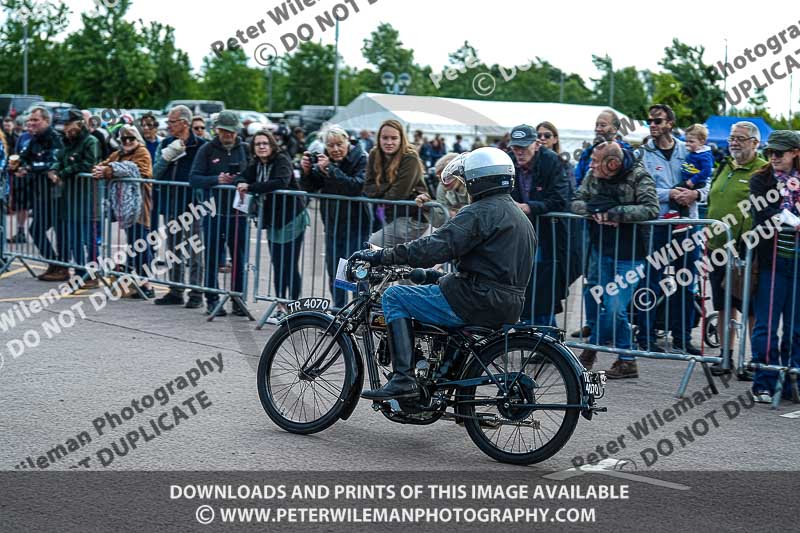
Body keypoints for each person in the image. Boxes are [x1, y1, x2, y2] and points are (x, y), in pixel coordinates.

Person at [350, 147, 536, 400]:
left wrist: (383, 255)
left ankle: (403, 380)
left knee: (395, 296)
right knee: (435, 294)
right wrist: (434, 277)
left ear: (477, 181)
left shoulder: (480, 211)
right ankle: (444, 383)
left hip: (475, 299)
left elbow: (434, 247)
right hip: (507, 303)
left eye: (466, 181)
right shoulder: (518, 216)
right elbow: (491, 267)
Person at [572, 142, 660, 379]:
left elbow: (652, 209)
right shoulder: (593, 175)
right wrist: (595, 211)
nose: (590, 165)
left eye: (595, 161)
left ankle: (590, 352)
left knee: (614, 307)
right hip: (601, 251)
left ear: (613, 164)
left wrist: (614, 213)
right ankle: (627, 360)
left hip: (631, 255)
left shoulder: (639, 175)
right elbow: (576, 201)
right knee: (610, 308)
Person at [634, 103, 705, 355]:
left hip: (687, 225)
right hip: (658, 225)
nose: (652, 125)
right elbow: (640, 189)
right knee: (650, 281)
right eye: (650, 121)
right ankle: (646, 335)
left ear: (670, 124)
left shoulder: (690, 150)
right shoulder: (642, 153)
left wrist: (695, 193)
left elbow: (707, 184)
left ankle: (682, 337)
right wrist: (670, 194)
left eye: (658, 121)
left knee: (686, 281)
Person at [705, 122, 767, 377]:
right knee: (722, 304)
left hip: (746, 251)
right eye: (732, 138)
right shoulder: (725, 166)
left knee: (750, 307)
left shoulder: (763, 170)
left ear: (755, 142)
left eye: (741, 138)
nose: (734, 142)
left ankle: (753, 361)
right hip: (717, 248)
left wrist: (746, 242)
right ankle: (726, 357)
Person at [748, 130, 800, 403]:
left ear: (795, 153)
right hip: (771, 261)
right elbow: (762, 214)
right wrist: (792, 221)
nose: (773, 157)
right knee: (766, 325)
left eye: (779, 152)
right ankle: (764, 381)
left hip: (798, 262)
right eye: (770, 152)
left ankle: (793, 381)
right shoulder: (760, 179)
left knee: (797, 326)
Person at [238, 130, 308, 319]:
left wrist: (250, 187)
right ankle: (280, 305)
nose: (261, 146)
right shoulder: (257, 164)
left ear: (272, 145)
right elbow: (242, 177)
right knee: (278, 264)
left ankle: (293, 307)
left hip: (292, 218)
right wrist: (242, 182)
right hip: (273, 222)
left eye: (265, 143)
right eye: (258, 144)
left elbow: (280, 182)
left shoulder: (282, 160)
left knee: (289, 264)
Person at [300, 124, 371, 309]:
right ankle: (340, 309)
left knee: (357, 270)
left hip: (357, 224)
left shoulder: (361, 158)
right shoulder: (326, 161)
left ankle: (360, 310)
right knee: (336, 270)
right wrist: (307, 172)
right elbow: (310, 187)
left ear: (347, 141)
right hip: (333, 224)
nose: (336, 149)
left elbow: (356, 186)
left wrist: (331, 169)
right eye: (331, 145)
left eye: (339, 144)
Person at [508, 124, 572, 326]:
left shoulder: (551, 161)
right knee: (523, 282)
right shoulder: (508, 161)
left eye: (523, 147)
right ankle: (539, 335)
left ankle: (545, 338)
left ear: (536, 145)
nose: (519, 152)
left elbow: (561, 198)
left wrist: (529, 207)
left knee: (541, 285)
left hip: (546, 233)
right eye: (515, 147)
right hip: (518, 233)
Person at [189, 111, 250, 316]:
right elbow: (194, 178)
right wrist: (217, 180)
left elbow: (253, 174)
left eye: (231, 131)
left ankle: (237, 299)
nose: (228, 135)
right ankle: (212, 299)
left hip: (239, 212)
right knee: (213, 257)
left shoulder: (245, 149)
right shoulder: (207, 149)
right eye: (224, 131)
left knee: (238, 258)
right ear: (217, 130)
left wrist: (241, 180)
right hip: (214, 212)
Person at [152, 104, 207, 308]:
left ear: (184, 123)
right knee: (173, 249)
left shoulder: (201, 146)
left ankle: (196, 293)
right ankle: (175, 290)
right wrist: (168, 156)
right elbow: (154, 173)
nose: (168, 125)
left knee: (194, 249)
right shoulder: (166, 142)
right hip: (171, 204)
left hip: (194, 206)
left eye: (171, 122)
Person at [92, 125, 155, 298]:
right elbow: (104, 165)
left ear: (137, 139)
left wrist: (110, 170)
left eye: (131, 139)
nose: (127, 142)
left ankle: (147, 285)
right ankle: (138, 282)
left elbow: (139, 171)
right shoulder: (118, 153)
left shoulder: (142, 152)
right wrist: (100, 170)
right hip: (124, 205)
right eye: (123, 139)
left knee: (141, 243)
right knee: (134, 243)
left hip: (140, 205)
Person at [48, 110, 101, 285]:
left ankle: (93, 275)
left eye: (69, 124)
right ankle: (80, 273)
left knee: (89, 239)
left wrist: (62, 173)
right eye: (64, 125)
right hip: (70, 197)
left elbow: (88, 163)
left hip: (86, 197)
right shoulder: (67, 142)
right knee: (75, 239)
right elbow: (60, 158)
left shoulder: (90, 141)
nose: (66, 129)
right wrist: (54, 169)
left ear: (79, 123)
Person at [15, 107, 64, 280]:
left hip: (56, 194)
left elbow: (52, 162)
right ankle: (55, 264)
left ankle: (61, 267)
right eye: (29, 120)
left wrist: (29, 168)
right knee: (36, 230)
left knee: (57, 232)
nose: (31, 123)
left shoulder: (55, 138)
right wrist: (17, 166)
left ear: (46, 121)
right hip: (40, 194)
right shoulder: (33, 140)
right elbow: (22, 158)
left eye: (35, 120)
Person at [365, 119, 429, 248]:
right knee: (393, 259)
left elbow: (398, 194)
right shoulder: (374, 153)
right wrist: (391, 185)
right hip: (390, 216)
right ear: (379, 138)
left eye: (394, 138)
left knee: (374, 244)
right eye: (385, 138)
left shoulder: (410, 156)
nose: (389, 142)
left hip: (412, 218)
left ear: (401, 139)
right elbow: (367, 188)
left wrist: (380, 191)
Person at [574, 110, 632, 187]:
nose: (597, 129)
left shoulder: (627, 153)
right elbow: (578, 181)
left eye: (603, 125)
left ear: (614, 129)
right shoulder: (588, 153)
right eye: (596, 125)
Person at [668, 124, 714, 217]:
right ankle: (682, 217)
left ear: (702, 142)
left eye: (691, 141)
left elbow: (707, 171)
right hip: (689, 180)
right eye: (686, 141)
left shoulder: (704, 155)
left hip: (695, 182)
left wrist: (693, 180)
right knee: (683, 197)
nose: (687, 144)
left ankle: (673, 212)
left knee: (675, 191)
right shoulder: (693, 153)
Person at [414, 153, 469, 228]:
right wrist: (428, 206)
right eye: (440, 178)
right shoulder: (442, 187)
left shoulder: (472, 184)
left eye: (447, 177)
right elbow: (441, 220)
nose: (442, 182)